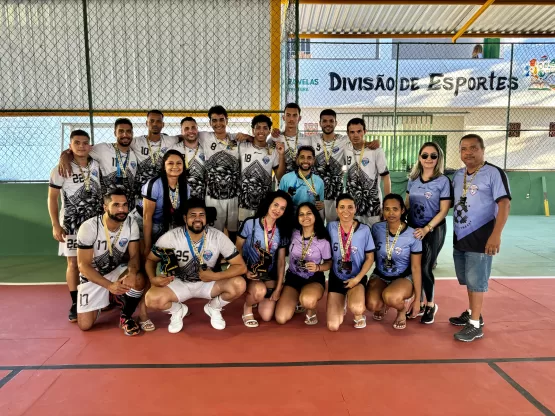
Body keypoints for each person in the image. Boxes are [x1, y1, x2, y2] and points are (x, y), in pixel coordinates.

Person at [144, 197, 247, 332]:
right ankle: (177, 311)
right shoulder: (171, 237)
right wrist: (152, 279)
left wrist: (215, 276)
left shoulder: (218, 236)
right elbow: (150, 260)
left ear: (206, 218)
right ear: (185, 218)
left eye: (201, 215)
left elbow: (241, 267)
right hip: (179, 282)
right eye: (193, 215)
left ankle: (214, 307)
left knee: (239, 284)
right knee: (151, 299)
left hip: (208, 283)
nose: (198, 218)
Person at [450, 134, 511, 342]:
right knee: (468, 279)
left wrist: (496, 235)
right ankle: (472, 312)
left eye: (473, 148)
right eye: (464, 149)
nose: (468, 153)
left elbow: (504, 205)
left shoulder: (494, 173)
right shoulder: (459, 175)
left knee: (476, 281)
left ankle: (475, 324)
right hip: (460, 235)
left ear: (482, 150)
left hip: (482, 237)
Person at [48, 130, 102, 322]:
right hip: (71, 223)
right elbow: (52, 198)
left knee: (94, 261)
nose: (81, 146)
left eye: (85, 143)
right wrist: (56, 225)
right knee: (73, 263)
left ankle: (97, 297)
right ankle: (74, 302)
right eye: (76, 143)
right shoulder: (61, 168)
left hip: (94, 223)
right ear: (70, 146)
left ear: (90, 145)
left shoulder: (96, 164)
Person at [76, 189, 145, 336]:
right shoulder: (89, 227)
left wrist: (132, 273)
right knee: (85, 325)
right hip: (93, 276)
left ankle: (125, 317)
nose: (122, 209)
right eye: (116, 205)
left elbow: (134, 256)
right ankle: (108, 297)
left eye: (125, 205)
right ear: (105, 207)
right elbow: (83, 266)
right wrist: (109, 286)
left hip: (115, 271)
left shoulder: (131, 223)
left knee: (139, 278)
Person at [406, 142, 452, 324]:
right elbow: (407, 203)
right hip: (414, 229)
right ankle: (417, 302)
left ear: (438, 158)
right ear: (419, 157)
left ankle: (430, 304)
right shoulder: (413, 179)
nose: (429, 159)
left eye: (433, 156)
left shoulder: (443, 181)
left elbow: (443, 210)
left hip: (433, 229)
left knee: (426, 267)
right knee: (413, 267)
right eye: (425, 155)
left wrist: (427, 228)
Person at [312, 109, 380, 223]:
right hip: (316, 191)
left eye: (331, 121)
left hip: (335, 192)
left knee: (334, 225)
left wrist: (374, 142)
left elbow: (359, 141)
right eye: (324, 121)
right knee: (315, 224)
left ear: (336, 123)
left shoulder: (344, 140)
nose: (328, 124)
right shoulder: (312, 139)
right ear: (320, 123)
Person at [236, 190, 293, 327]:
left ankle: (258, 297)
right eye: (275, 205)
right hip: (250, 271)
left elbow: (280, 262)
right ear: (268, 204)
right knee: (259, 291)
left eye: (282, 208)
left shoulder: (283, 230)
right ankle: (248, 306)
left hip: (269, 274)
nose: (277, 210)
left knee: (266, 316)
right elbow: (237, 249)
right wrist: (244, 271)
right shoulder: (250, 223)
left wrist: (279, 288)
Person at [366, 194, 423, 330]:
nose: (391, 213)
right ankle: (383, 302)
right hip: (380, 275)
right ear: (382, 210)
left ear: (402, 210)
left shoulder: (413, 234)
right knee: (372, 305)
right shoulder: (376, 228)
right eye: (387, 209)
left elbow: (416, 267)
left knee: (390, 296)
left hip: (403, 277)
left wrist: (417, 300)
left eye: (395, 209)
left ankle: (401, 310)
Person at [57, 119, 139, 210]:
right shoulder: (103, 149)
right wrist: (64, 156)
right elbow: (80, 150)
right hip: (108, 207)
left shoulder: (134, 151)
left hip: (128, 205)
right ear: (115, 133)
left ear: (132, 133)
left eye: (128, 131)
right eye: (121, 131)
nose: (125, 135)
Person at [275, 202, 332, 325]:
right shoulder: (293, 233)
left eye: (309, 213)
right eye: (301, 214)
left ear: (315, 215)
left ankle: (311, 309)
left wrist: (318, 267)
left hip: (313, 278)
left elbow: (329, 263)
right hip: (293, 277)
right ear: (297, 218)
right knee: (281, 318)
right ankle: (297, 299)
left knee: (308, 300)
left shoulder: (323, 240)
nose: (305, 217)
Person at [326, 194, 375, 331]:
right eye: (341, 207)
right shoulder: (330, 227)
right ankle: (342, 301)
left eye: (350, 207)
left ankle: (358, 312)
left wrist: (357, 279)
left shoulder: (364, 230)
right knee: (333, 326)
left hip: (356, 277)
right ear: (336, 210)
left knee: (357, 307)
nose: (345, 211)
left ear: (355, 209)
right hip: (337, 277)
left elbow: (370, 258)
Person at [136, 150, 188, 259]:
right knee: (145, 257)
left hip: (163, 223)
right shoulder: (154, 184)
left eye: (179, 163)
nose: (175, 166)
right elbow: (147, 217)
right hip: (143, 224)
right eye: (170, 163)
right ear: (164, 166)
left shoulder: (186, 187)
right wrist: (147, 246)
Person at [238, 114, 286, 222]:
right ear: (253, 130)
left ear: (269, 131)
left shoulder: (273, 151)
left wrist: (282, 155)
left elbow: (280, 176)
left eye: (265, 128)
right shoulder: (242, 147)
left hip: (265, 202)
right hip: (244, 202)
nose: (261, 131)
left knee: (262, 231)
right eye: (258, 128)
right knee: (244, 231)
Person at [345, 118, 391, 227]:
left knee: (375, 236)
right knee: (356, 237)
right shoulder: (346, 148)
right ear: (347, 134)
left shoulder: (376, 151)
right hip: (353, 205)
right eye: (352, 132)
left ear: (365, 132)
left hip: (373, 204)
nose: (356, 135)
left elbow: (386, 177)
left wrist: (387, 204)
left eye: (359, 131)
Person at [168, 117, 206, 199]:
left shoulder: (206, 148)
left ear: (197, 129)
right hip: (179, 197)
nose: (190, 131)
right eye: (186, 128)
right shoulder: (174, 150)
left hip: (202, 198)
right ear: (181, 132)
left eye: (193, 128)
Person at [278, 146, 325, 211]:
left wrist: (321, 205)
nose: (305, 161)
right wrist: (287, 196)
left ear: (313, 160)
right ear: (297, 159)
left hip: (308, 218)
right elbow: (278, 201)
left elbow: (320, 203)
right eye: (302, 157)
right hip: (289, 217)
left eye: (309, 158)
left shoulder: (319, 182)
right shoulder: (286, 178)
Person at [270, 103, 312, 173]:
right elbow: (267, 154)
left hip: (301, 182)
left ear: (299, 118)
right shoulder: (274, 139)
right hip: (281, 181)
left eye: (295, 115)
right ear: (283, 117)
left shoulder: (307, 140)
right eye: (288, 115)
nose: (291, 119)